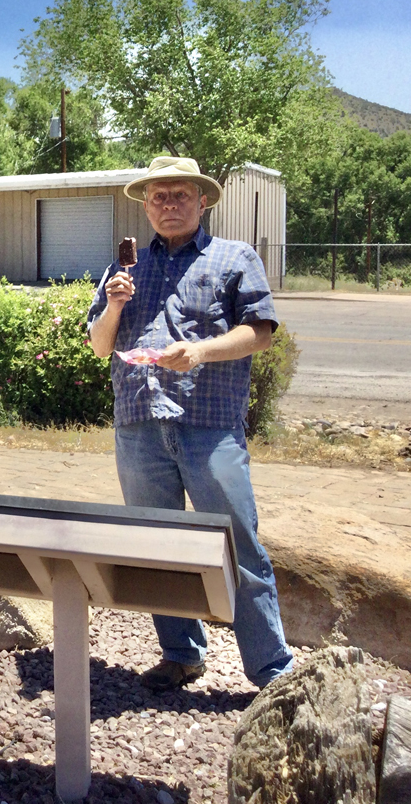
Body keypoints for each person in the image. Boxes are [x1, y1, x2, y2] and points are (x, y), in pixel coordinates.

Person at [87, 156, 294, 691]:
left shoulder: (234, 257)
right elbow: (100, 345)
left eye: (181, 195)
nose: (169, 204)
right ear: (146, 204)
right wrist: (112, 307)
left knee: (238, 544)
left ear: (203, 201)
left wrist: (200, 351)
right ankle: (181, 654)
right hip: (139, 426)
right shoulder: (123, 269)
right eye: (159, 196)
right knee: (158, 546)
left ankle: (272, 671)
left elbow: (261, 332)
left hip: (209, 427)